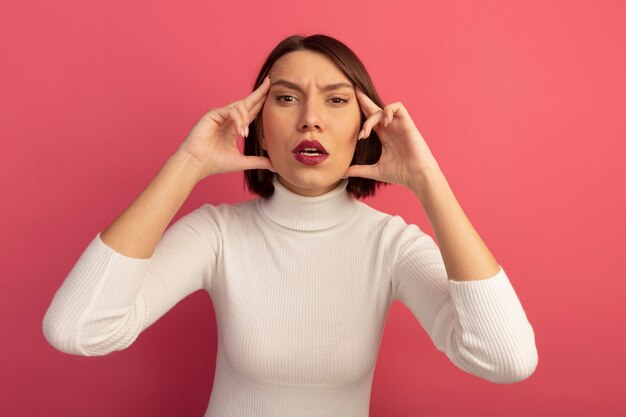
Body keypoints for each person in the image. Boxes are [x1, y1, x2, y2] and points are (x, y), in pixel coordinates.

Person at [43, 34, 538, 416]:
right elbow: (77, 329)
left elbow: (506, 358)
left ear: (367, 126)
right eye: (286, 98)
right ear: (257, 123)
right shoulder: (217, 235)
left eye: (337, 100)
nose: (310, 120)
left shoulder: (391, 246)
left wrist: (428, 179)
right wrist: (189, 162)